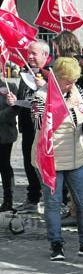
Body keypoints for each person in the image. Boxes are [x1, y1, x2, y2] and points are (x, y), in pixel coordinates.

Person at [31, 57, 83, 261]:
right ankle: (56, 244)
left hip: (76, 155)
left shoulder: (77, 93)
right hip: (51, 159)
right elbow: (37, 123)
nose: (71, 84)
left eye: (74, 80)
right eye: (67, 80)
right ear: (56, 78)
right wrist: (53, 106)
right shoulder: (40, 95)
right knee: (54, 203)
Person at [14, 40, 51, 213]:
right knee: (29, 163)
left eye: (33, 53)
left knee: (48, 165)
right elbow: (23, 95)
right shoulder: (24, 71)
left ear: (45, 54)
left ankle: (58, 200)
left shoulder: (52, 72)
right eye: (29, 53)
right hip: (28, 125)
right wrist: (14, 101)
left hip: (46, 127)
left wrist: (45, 86)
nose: (29, 56)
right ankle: (33, 198)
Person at [0, 81, 18, 212]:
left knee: (4, 166)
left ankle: (8, 201)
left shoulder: (10, 86)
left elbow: (16, 109)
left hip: (4, 134)